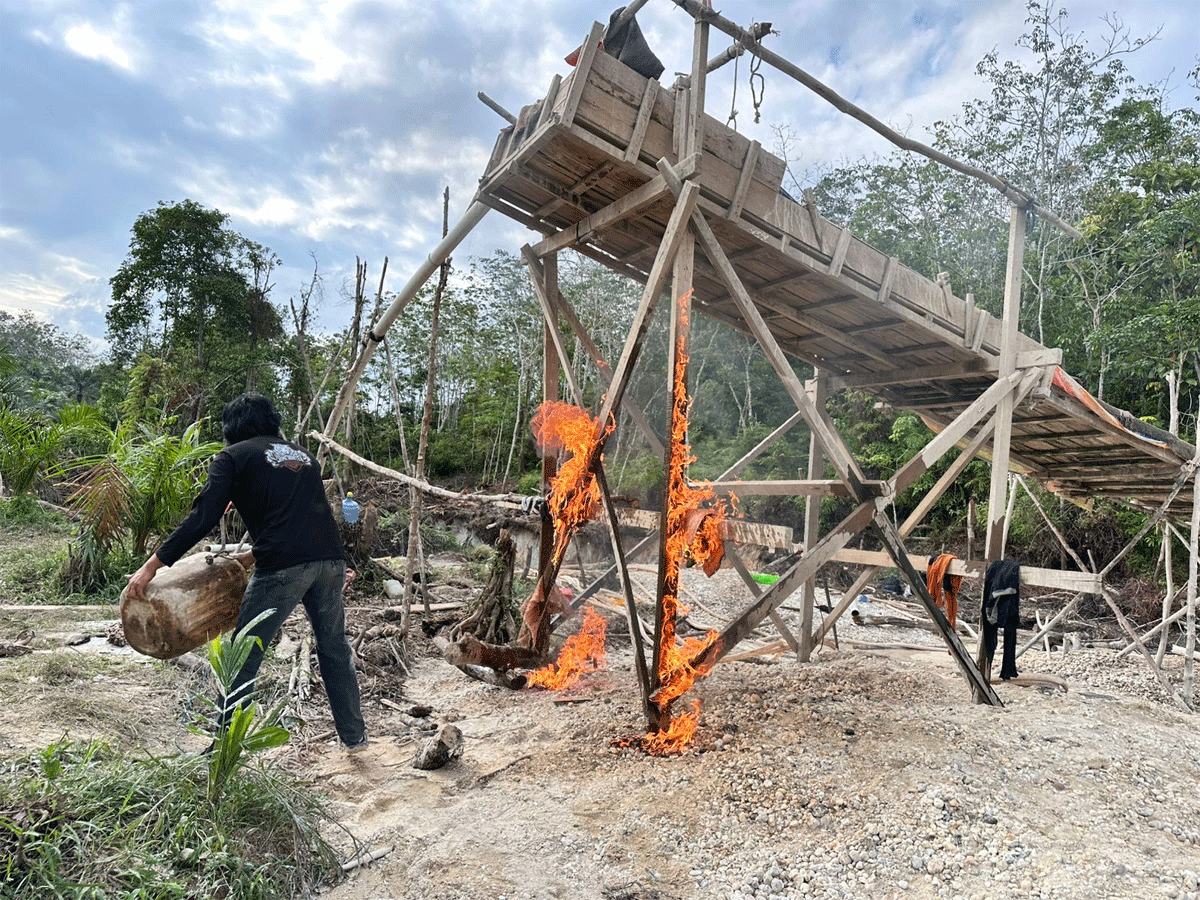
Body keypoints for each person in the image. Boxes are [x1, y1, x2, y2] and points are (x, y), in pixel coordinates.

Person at [124, 393, 367, 752]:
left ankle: (224, 750)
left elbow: (203, 517)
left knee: (242, 656)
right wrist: (253, 555)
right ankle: (355, 738)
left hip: (283, 569)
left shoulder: (234, 456)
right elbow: (301, 518)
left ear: (230, 427)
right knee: (334, 649)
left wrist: (152, 566)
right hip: (330, 561)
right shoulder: (305, 457)